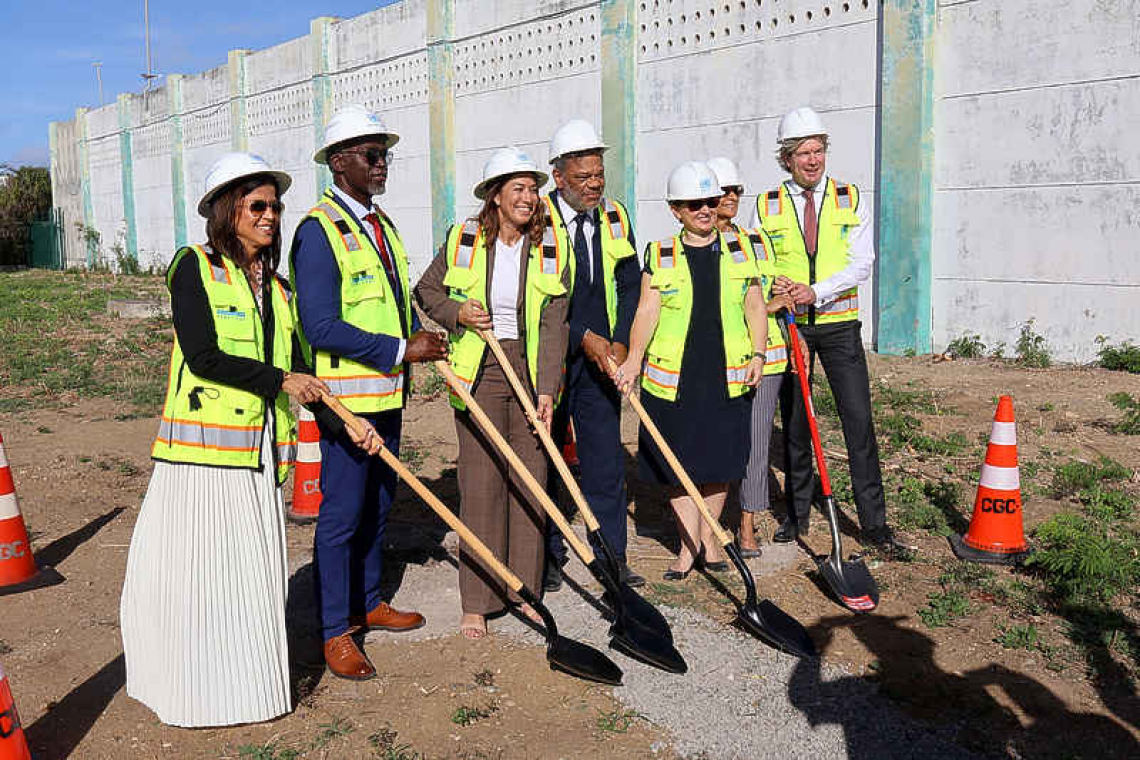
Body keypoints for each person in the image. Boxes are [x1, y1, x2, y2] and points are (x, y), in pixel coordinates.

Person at [120, 153, 382, 727]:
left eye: (275, 205)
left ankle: (245, 687)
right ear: (225, 209)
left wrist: (347, 421)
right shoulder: (194, 267)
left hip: (257, 455)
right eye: (257, 205)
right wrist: (282, 381)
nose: (270, 215)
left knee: (251, 578)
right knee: (197, 574)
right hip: (200, 457)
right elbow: (204, 355)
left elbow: (303, 378)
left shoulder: (280, 290)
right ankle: (188, 686)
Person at [290, 105, 448, 680]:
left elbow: (390, 302)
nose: (382, 164)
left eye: (384, 154)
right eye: (370, 155)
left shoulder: (380, 226)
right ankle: (335, 630)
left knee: (380, 507)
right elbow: (321, 326)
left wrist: (422, 335)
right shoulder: (317, 232)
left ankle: (368, 601)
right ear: (339, 162)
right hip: (344, 404)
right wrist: (404, 349)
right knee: (342, 516)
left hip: (385, 398)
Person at [415, 147, 570, 639]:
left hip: (527, 367)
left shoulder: (550, 244)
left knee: (530, 478)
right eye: (519, 189)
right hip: (479, 369)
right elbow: (428, 293)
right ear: (496, 196)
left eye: (534, 189)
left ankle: (524, 593)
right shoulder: (464, 239)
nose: (529, 198)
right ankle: (478, 599)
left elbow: (555, 321)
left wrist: (547, 389)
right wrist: (458, 313)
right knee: (482, 484)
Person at [752, 106, 904, 554]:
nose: (813, 161)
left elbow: (863, 262)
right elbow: (758, 260)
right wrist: (775, 285)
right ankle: (798, 516)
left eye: (818, 151)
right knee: (797, 424)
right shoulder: (767, 204)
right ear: (786, 159)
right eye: (802, 153)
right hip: (791, 328)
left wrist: (815, 291)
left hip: (838, 326)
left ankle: (874, 523)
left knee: (858, 422)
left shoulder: (849, 196)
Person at [615, 161, 768, 580]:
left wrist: (758, 354)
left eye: (709, 201)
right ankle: (686, 549)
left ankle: (711, 542)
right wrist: (633, 358)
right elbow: (646, 311)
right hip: (675, 376)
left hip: (728, 371)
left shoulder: (742, 248)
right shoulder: (660, 253)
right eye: (693, 204)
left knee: (720, 459)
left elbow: (755, 305)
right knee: (678, 462)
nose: (704, 209)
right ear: (676, 210)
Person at [541, 119, 643, 592]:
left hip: (603, 359)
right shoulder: (536, 220)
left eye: (599, 174)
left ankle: (612, 559)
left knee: (604, 460)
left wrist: (620, 340)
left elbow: (628, 283)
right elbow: (538, 295)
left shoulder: (615, 216)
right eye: (583, 177)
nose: (595, 184)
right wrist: (585, 337)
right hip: (553, 357)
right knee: (547, 458)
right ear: (558, 177)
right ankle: (546, 553)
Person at [705, 157, 793, 558]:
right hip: (717, 361)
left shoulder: (755, 240)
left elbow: (773, 296)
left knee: (757, 444)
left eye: (737, 190)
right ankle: (704, 522)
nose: (733, 197)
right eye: (725, 191)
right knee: (719, 442)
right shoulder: (695, 243)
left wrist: (780, 312)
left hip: (765, 359)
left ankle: (746, 524)